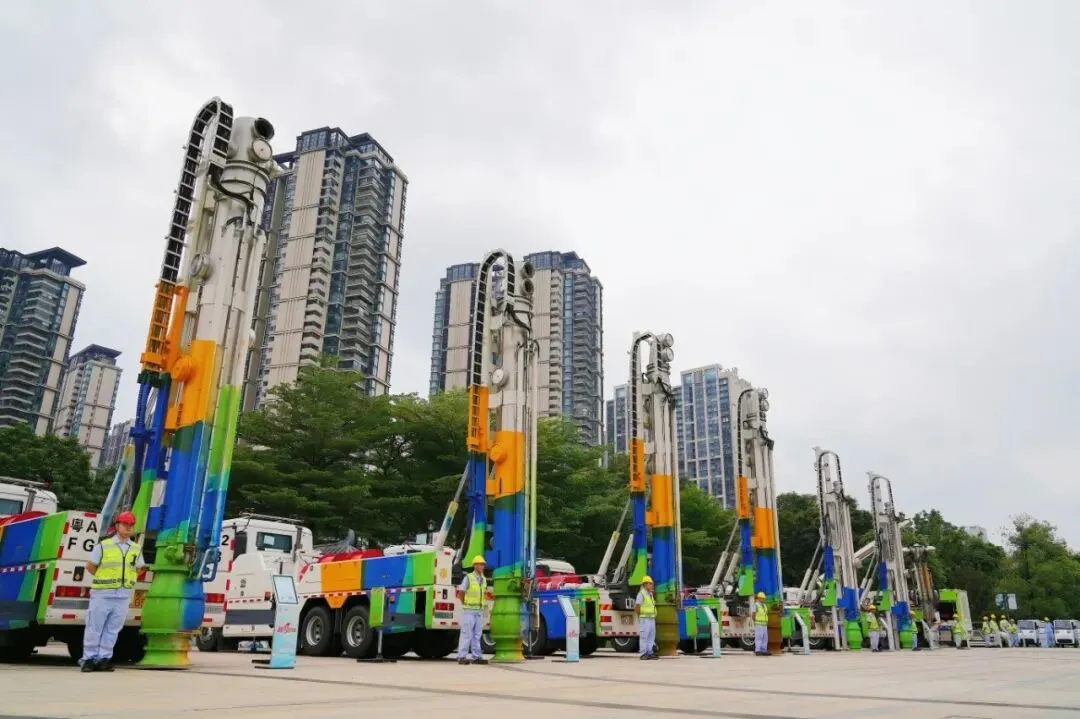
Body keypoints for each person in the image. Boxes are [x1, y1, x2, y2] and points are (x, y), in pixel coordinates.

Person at [81, 511, 145, 672]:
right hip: (102, 593)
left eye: (131, 525)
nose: (128, 527)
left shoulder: (136, 548)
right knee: (94, 627)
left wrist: (128, 580)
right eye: (125, 524)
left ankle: (104, 658)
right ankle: (89, 659)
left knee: (113, 629)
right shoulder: (104, 545)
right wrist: (104, 578)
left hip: (122, 594)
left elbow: (139, 569)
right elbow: (90, 566)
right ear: (117, 525)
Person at [455, 555, 488, 665]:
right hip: (469, 610)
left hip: (479, 611)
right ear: (474, 566)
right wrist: (464, 603)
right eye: (479, 564)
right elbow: (461, 592)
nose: (481, 566)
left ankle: (477, 657)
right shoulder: (468, 577)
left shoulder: (483, 579)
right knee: (466, 634)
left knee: (477, 635)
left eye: (482, 564)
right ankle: (461, 656)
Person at [635, 575, 658, 660]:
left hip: (651, 617)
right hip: (644, 618)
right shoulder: (641, 594)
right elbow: (637, 606)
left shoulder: (650, 594)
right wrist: (640, 616)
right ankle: (643, 653)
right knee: (644, 636)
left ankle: (649, 652)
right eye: (650, 583)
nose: (652, 585)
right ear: (645, 584)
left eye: (652, 584)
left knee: (651, 636)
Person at [752, 591, 769, 656]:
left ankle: (763, 650)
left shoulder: (764, 605)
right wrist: (755, 620)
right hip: (759, 623)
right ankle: (758, 650)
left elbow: (765, 614)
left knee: (765, 638)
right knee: (759, 637)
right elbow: (753, 615)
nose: (763, 600)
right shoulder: (756, 605)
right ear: (759, 598)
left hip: (764, 624)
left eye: (763, 598)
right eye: (762, 598)